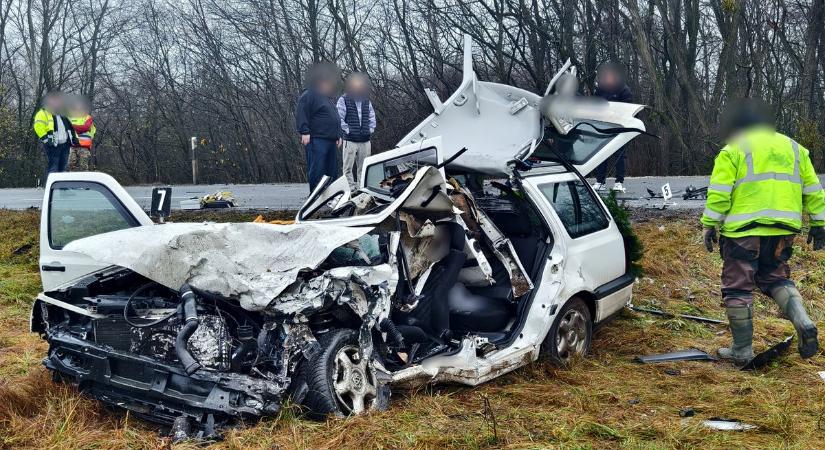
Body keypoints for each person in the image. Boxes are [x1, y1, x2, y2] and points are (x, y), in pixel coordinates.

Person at [701, 98, 824, 366]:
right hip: (783, 231)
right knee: (776, 278)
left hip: (743, 232)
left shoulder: (734, 149)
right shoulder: (795, 148)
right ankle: (803, 320)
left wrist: (709, 224)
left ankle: (742, 350)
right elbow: (813, 189)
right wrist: (819, 223)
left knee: (738, 288)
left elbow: (720, 194)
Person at [295, 62, 342, 192]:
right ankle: (315, 198)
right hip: (317, 139)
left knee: (331, 171)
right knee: (318, 169)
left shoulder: (326, 97)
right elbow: (302, 112)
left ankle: (330, 197)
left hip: (331, 140)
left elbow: (335, 118)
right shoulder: (309, 94)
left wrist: (338, 135)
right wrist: (304, 131)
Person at [591, 62, 633, 192]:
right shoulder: (599, 90)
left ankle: (619, 181)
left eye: (610, 76)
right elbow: (594, 106)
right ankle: (600, 181)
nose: (608, 78)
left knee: (619, 155)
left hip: (619, 127)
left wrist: (616, 115)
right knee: (601, 154)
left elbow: (628, 108)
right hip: (603, 126)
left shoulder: (624, 90)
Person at [337, 72, 376, 191]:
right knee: (347, 168)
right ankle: (350, 189)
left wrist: (370, 129)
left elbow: (372, 117)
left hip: (365, 140)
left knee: (364, 167)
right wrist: (348, 130)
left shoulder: (366, 101)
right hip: (350, 140)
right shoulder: (343, 100)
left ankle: (361, 188)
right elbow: (339, 118)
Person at [33, 92, 79, 180]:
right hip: (53, 144)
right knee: (53, 167)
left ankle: (61, 188)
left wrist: (74, 138)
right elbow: (38, 127)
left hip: (65, 144)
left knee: (63, 167)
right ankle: (51, 188)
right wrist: (46, 139)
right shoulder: (43, 113)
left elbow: (71, 127)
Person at [67, 95, 95, 171]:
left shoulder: (87, 117)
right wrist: (78, 128)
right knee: (70, 166)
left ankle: (85, 182)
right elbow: (67, 129)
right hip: (73, 146)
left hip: (84, 147)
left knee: (83, 167)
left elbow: (85, 127)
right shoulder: (70, 117)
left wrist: (73, 127)